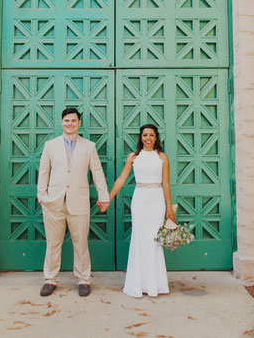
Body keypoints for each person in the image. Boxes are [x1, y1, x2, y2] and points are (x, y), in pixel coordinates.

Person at [36, 107, 110, 297]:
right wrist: (42, 196)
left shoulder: (89, 146)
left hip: (79, 202)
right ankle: (50, 279)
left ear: (79, 123)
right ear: (62, 122)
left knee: (81, 243)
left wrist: (104, 196)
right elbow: (44, 172)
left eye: (74, 121)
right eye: (67, 120)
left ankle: (83, 279)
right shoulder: (50, 146)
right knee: (53, 243)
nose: (70, 124)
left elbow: (97, 172)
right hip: (54, 203)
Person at [109, 124, 176, 298]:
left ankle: (155, 285)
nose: (148, 138)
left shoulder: (162, 158)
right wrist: (108, 198)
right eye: (145, 135)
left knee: (154, 240)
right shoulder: (133, 157)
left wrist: (169, 208)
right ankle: (137, 284)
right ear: (141, 138)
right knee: (140, 239)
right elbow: (121, 179)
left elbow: (166, 184)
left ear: (156, 138)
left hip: (156, 200)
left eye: (151, 135)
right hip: (140, 199)